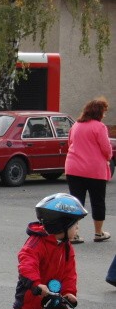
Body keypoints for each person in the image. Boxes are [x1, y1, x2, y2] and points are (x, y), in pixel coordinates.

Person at [65, 96, 112, 244]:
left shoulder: (76, 126)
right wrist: (109, 156)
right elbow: (106, 149)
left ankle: (74, 233)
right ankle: (98, 233)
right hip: (94, 170)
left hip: (73, 168)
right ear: (98, 112)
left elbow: (70, 143)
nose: (104, 115)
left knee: (76, 201)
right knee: (97, 201)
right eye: (104, 112)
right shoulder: (99, 127)